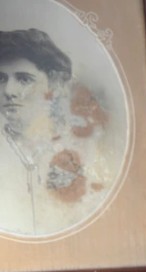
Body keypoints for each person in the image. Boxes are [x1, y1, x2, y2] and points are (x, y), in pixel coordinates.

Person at [0, 28, 111, 236]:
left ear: (55, 84)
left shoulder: (86, 149)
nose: (8, 91)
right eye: (1, 79)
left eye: (24, 79)